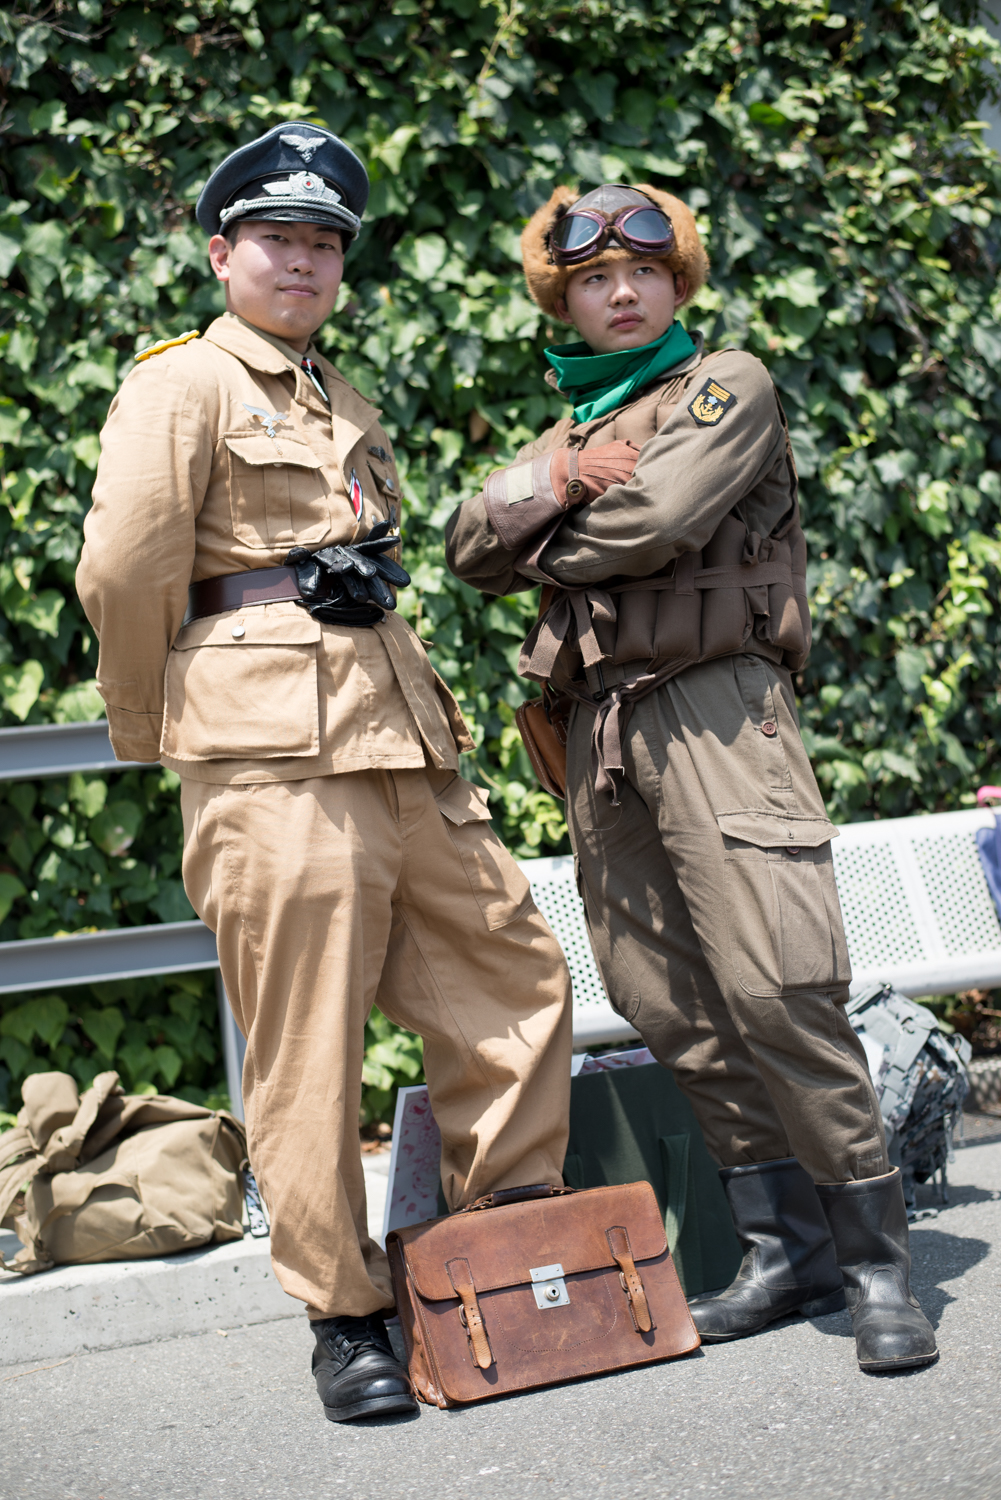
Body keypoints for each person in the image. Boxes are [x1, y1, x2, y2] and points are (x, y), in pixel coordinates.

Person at [75, 123, 572, 1422]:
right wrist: (154, 725)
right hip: (270, 758)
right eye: (275, 239)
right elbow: (124, 570)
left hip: (400, 735)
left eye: (321, 244)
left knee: (513, 973)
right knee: (307, 1046)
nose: (300, 262)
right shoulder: (182, 385)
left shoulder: (338, 394)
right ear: (220, 252)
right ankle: (344, 1319)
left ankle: (499, 1253)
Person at [445, 182, 938, 1374]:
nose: (620, 293)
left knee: (776, 986)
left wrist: (538, 523)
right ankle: (782, 1251)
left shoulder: (726, 384)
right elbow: (463, 545)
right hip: (599, 731)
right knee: (664, 998)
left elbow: (655, 520)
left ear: (678, 283)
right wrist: (564, 476)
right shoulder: (576, 431)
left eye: (642, 274)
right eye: (593, 281)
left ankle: (875, 1265)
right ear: (562, 301)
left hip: (717, 711)